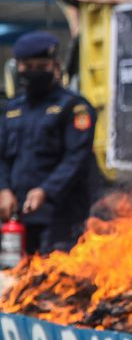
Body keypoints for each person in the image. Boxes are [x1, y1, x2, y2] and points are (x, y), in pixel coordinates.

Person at [0, 31, 98, 254]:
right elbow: (2, 156)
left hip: (61, 214)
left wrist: (46, 190)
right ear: (19, 67)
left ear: (55, 67)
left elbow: (77, 158)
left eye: (41, 66)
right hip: (18, 214)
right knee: (18, 278)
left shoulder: (74, 107)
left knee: (56, 280)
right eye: (29, 66)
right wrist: (3, 189)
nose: (35, 71)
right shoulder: (13, 109)